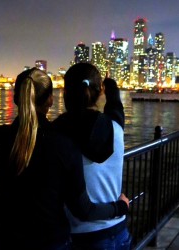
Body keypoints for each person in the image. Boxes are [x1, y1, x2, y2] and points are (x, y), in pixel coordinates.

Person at [0, 67, 129, 250]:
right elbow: (83, 209)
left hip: (8, 239)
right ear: (50, 99)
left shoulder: (0, 137)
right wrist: (120, 207)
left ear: (17, 98)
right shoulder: (63, 143)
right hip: (53, 240)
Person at [52, 62, 132, 250]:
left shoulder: (57, 132)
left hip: (81, 236)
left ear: (66, 93)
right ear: (99, 92)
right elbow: (115, 106)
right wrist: (110, 85)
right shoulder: (116, 129)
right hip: (119, 229)